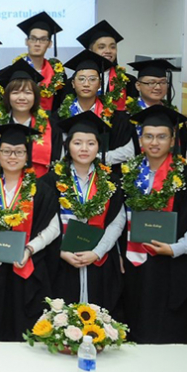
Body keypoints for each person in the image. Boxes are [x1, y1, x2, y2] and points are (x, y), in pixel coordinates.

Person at [121, 105, 187, 344]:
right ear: (140, 140)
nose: (154, 142)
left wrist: (178, 247)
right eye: (148, 136)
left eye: (161, 137)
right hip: (135, 264)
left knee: (171, 332)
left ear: (172, 141)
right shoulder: (127, 175)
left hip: (174, 264)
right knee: (135, 324)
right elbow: (117, 218)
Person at [0, 123, 58, 342]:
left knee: (23, 330)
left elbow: (54, 227)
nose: (13, 156)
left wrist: (30, 249)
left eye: (19, 152)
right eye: (6, 151)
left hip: (25, 268)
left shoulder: (41, 190)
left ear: (27, 155)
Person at [43, 113, 125, 313]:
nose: (84, 149)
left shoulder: (110, 181)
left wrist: (97, 253)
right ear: (68, 146)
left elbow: (117, 221)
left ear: (99, 147)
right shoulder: (50, 181)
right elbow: (44, 223)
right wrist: (61, 252)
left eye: (91, 143)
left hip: (99, 261)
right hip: (60, 261)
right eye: (78, 143)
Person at [58, 51, 134, 167]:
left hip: (107, 177)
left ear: (99, 84)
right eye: (81, 79)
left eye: (92, 79)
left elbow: (129, 151)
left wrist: (96, 158)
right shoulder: (59, 116)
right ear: (73, 83)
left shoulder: (116, 117)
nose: (86, 84)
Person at [0, 62, 61, 178]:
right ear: (8, 96)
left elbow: (56, 164)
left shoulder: (51, 126)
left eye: (28, 93)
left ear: (35, 96)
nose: (22, 98)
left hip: (41, 190)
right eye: (16, 92)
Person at [126, 58, 187, 155]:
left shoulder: (174, 117)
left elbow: (182, 150)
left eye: (163, 82)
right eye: (151, 83)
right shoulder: (125, 115)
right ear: (138, 85)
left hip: (169, 168)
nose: (158, 87)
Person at [76, 21, 133, 112]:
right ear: (90, 50)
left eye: (112, 47)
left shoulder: (129, 82)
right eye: (101, 47)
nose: (108, 51)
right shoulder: (77, 82)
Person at [15, 13, 66, 113]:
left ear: (50, 44)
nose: (37, 44)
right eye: (33, 39)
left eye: (43, 39)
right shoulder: (14, 71)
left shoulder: (58, 75)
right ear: (27, 41)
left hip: (49, 125)